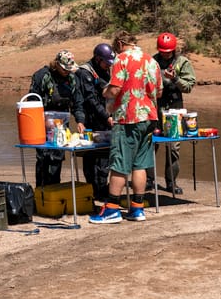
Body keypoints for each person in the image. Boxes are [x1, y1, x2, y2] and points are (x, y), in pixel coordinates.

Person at [89, 31, 162, 224]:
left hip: (128, 117)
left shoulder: (121, 59)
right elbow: (159, 91)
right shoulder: (152, 61)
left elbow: (115, 89)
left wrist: (104, 91)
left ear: (120, 44)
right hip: (149, 117)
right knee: (140, 163)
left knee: (120, 163)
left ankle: (112, 208)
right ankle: (137, 208)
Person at [147, 31, 196, 194]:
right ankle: (148, 179)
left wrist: (175, 79)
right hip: (155, 106)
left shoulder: (182, 62)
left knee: (173, 147)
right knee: (151, 144)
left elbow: (188, 87)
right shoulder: (152, 61)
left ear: (173, 50)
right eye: (162, 51)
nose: (165, 54)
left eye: (168, 51)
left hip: (175, 107)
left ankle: (171, 182)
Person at [28, 49, 85, 187]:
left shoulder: (72, 79)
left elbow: (78, 103)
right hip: (41, 125)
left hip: (61, 126)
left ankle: (54, 189)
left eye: (69, 69)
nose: (67, 72)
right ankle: (41, 191)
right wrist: (43, 120)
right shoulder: (42, 76)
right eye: (64, 69)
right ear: (57, 64)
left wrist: (80, 121)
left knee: (57, 158)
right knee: (43, 158)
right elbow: (32, 101)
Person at [75, 43, 115, 201]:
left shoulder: (106, 69)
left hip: (106, 117)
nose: (108, 66)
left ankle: (102, 187)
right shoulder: (85, 73)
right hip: (91, 119)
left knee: (105, 155)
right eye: (106, 63)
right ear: (98, 59)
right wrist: (107, 116)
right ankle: (92, 188)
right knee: (91, 156)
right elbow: (90, 100)